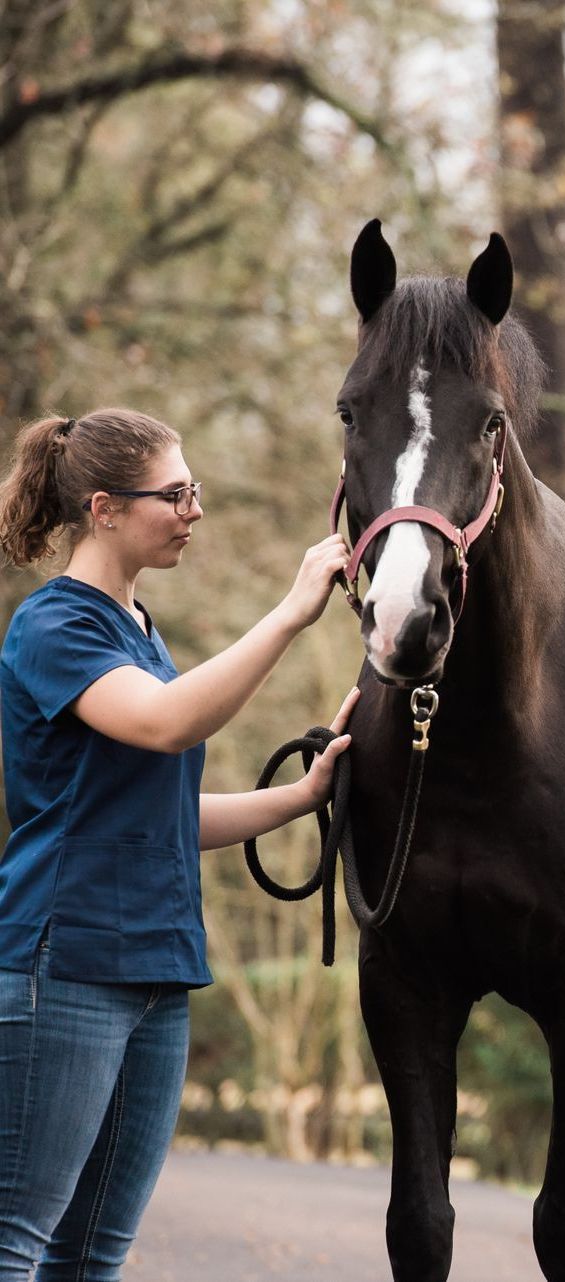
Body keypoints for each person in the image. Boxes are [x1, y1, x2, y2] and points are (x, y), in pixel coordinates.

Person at [0, 408, 356, 1280]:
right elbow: (164, 725)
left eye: (194, 490)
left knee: (95, 1253)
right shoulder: (55, 628)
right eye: (175, 493)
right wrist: (289, 614)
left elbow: (164, 816)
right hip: (68, 962)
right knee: (17, 1240)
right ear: (104, 508)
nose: (194, 510)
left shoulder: (144, 633)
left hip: (158, 968)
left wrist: (299, 796)